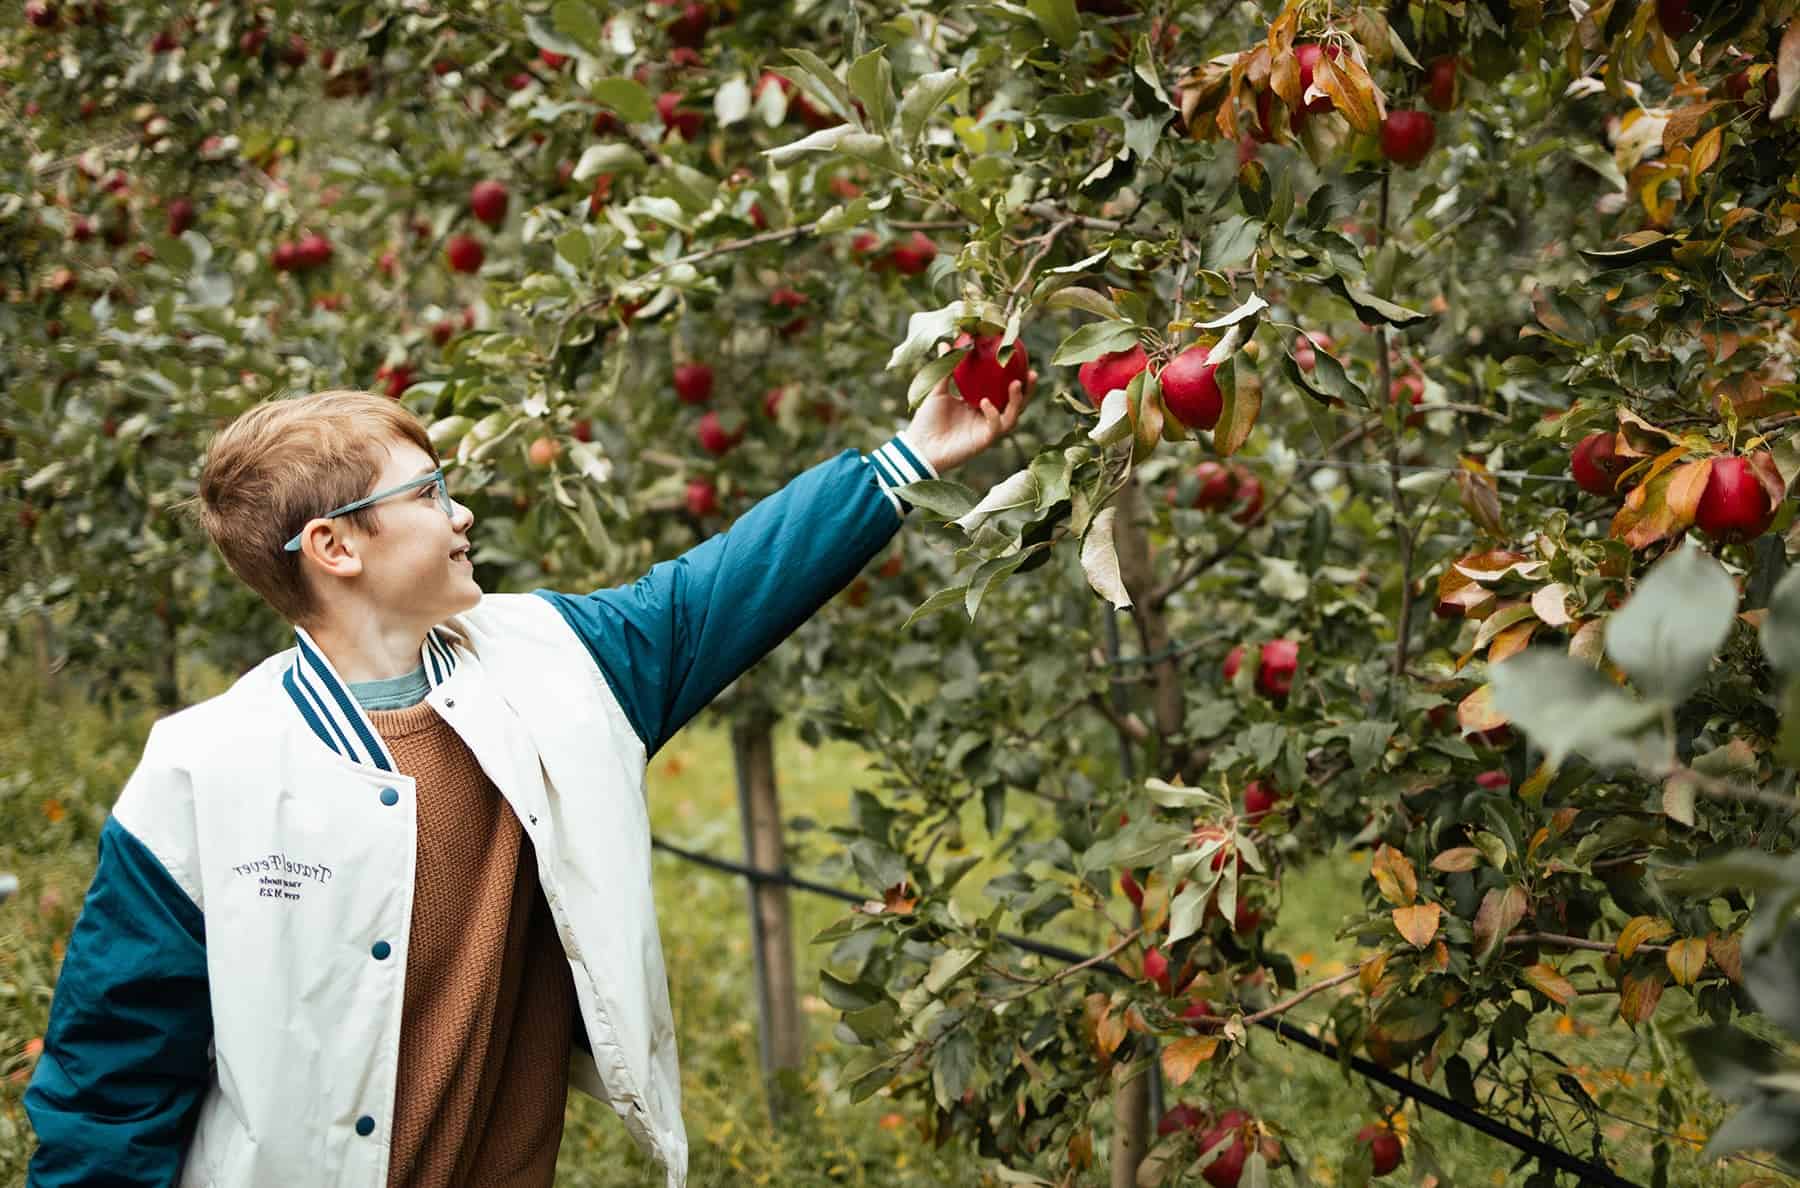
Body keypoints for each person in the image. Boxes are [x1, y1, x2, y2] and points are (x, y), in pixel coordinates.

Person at [24, 365, 1031, 1188]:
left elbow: (718, 592)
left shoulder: (552, 664)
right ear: (333, 547)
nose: (461, 516)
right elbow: (113, 1075)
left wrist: (907, 461)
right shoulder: (207, 769)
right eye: (425, 495)